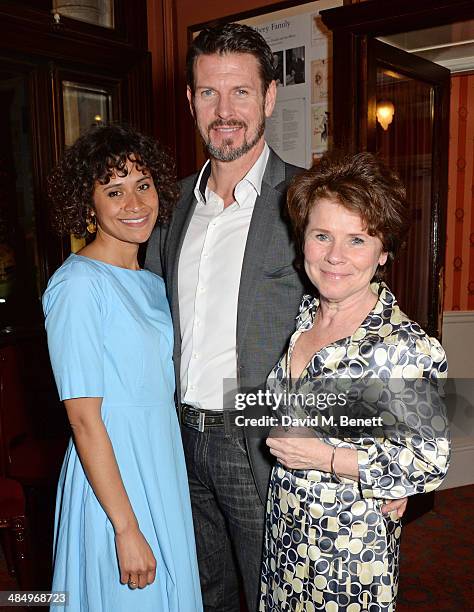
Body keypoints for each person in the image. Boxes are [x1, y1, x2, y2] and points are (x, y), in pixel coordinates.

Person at [145, 24, 406, 611]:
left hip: (262, 437)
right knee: (207, 592)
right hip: (181, 439)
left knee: (274, 595)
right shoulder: (172, 205)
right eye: (209, 93)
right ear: (190, 100)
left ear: (267, 98)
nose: (224, 110)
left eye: (240, 92)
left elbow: (362, 317)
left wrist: (388, 460)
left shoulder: (308, 199)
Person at [259, 151, 451, 611]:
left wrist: (328, 457)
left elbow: (428, 461)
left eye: (357, 240)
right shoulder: (307, 318)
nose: (334, 257)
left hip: (347, 556)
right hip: (286, 538)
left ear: (384, 251)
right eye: (321, 235)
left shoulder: (404, 346)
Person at [43, 124, 202, 612]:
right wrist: (126, 528)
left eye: (143, 185)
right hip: (114, 476)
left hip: (161, 461)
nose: (135, 203)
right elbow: (84, 418)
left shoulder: (152, 281)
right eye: (114, 191)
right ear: (87, 206)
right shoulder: (76, 285)